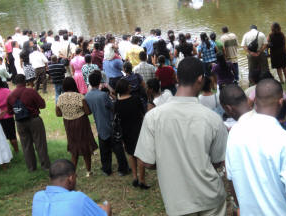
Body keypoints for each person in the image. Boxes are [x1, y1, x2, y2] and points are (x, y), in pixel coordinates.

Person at [135, 57, 228, 215]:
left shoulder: (153, 117)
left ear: (177, 78)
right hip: (211, 197)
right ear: (200, 79)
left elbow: (146, 162)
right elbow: (219, 160)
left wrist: (168, 162)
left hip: (177, 201)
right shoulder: (213, 119)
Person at [226, 79, 286, 216]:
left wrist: (240, 207)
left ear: (253, 101)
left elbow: (230, 178)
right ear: (281, 102)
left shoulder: (235, 132)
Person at [85, 71, 129, 176]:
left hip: (99, 125)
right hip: (110, 124)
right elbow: (113, 107)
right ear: (99, 81)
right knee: (117, 148)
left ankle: (106, 169)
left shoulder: (87, 96)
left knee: (104, 149)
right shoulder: (103, 95)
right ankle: (123, 169)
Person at [32, 159, 111, 216]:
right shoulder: (78, 198)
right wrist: (107, 207)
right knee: (106, 206)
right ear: (71, 178)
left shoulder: (38, 197)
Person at [7, 74, 50, 172]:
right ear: (25, 81)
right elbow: (42, 105)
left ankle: (31, 168)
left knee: (26, 146)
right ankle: (46, 167)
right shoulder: (31, 91)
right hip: (34, 119)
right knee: (40, 144)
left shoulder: (10, 95)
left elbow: (10, 112)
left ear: (14, 83)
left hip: (20, 122)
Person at [56, 77, 97, 177]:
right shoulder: (79, 97)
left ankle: (72, 173)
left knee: (73, 148)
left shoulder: (60, 97)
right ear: (74, 85)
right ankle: (88, 171)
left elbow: (58, 113)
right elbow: (87, 112)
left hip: (68, 124)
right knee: (85, 146)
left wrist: (68, 113)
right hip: (81, 122)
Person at [114, 79, 149, 189]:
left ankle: (135, 177)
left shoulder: (117, 104)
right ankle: (142, 180)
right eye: (129, 85)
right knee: (140, 155)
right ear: (126, 88)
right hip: (138, 129)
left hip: (125, 131)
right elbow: (143, 114)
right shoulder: (135, 99)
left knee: (131, 154)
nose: (130, 86)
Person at [0, 77, 18, 153]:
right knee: (12, 136)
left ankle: (4, 152)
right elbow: (14, 102)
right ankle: (16, 150)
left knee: (0, 137)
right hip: (8, 116)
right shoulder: (7, 91)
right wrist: (6, 110)